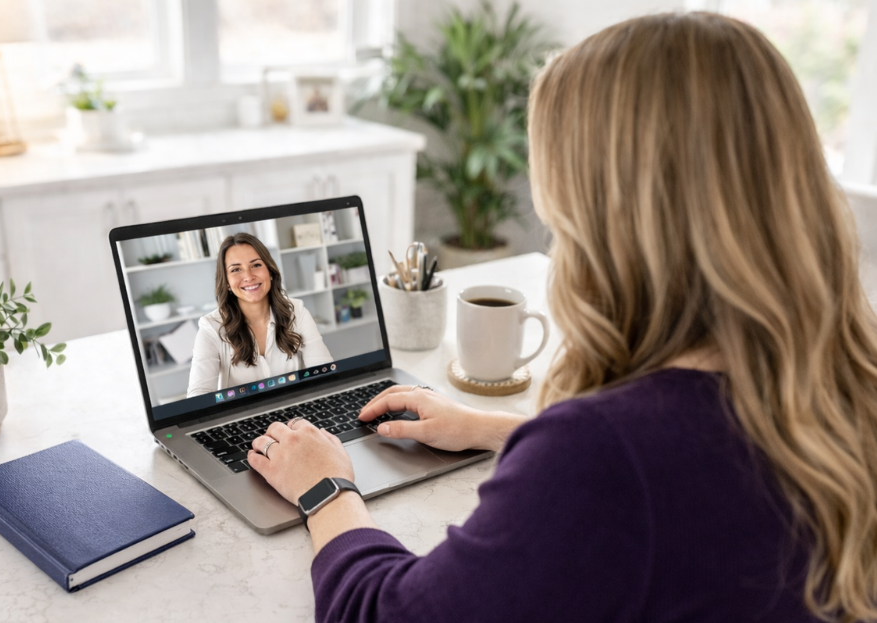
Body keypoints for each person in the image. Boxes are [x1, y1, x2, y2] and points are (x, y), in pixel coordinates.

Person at [245, 13, 877, 623]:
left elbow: (384, 613)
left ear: (609, 221)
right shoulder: (846, 384)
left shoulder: (603, 458)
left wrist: (325, 486)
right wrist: (500, 430)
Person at [187, 232, 332, 397]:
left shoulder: (297, 311)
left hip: (297, 413)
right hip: (243, 418)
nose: (248, 276)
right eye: (236, 269)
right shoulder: (211, 328)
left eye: (256, 265)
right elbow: (198, 397)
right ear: (227, 282)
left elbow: (325, 373)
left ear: (269, 270)